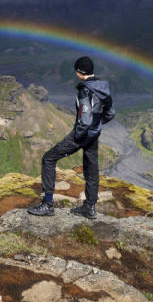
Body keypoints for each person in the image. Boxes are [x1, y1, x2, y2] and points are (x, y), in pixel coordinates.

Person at [28, 56, 114, 219]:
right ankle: (89, 207)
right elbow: (110, 113)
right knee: (91, 168)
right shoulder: (103, 88)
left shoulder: (85, 90)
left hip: (83, 134)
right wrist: (97, 125)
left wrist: (79, 135)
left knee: (48, 159)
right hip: (94, 133)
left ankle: (47, 204)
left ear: (79, 72)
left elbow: (85, 118)